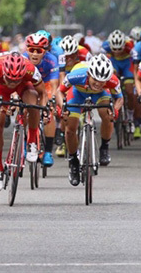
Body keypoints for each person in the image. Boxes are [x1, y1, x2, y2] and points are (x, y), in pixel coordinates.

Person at [55, 54, 123, 184]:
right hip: (77, 93)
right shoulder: (76, 75)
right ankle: (73, 161)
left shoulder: (112, 80)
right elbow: (59, 92)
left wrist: (115, 110)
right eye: (95, 80)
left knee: (107, 115)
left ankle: (104, 147)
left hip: (101, 95)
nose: (98, 84)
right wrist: (62, 108)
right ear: (88, 74)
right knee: (70, 129)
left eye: (102, 81)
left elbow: (119, 98)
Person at [0, 52, 49, 191]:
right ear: (4, 72)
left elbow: (43, 93)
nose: (12, 83)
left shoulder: (30, 70)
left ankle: (32, 142)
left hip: (24, 86)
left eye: (15, 79)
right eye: (9, 79)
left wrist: (44, 109)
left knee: (33, 103)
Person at [22, 33, 59, 167]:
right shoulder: (23, 59)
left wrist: (52, 99)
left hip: (47, 83)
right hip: (29, 84)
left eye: (39, 51)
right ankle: (23, 144)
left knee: (49, 113)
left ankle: (48, 151)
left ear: (45, 51)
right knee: (25, 110)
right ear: (27, 50)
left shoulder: (51, 60)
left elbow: (54, 84)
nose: (35, 54)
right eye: (32, 50)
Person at [102, 30, 136, 132]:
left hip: (127, 63)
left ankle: (130, 116)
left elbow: (135, 62)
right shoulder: (105, 46)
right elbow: (103, 61)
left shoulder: (130, 45)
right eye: (114, 49)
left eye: (119, 49)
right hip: (114, 62)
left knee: (130, 90)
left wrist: (135, 76)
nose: (117, 51)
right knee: (111, 81)